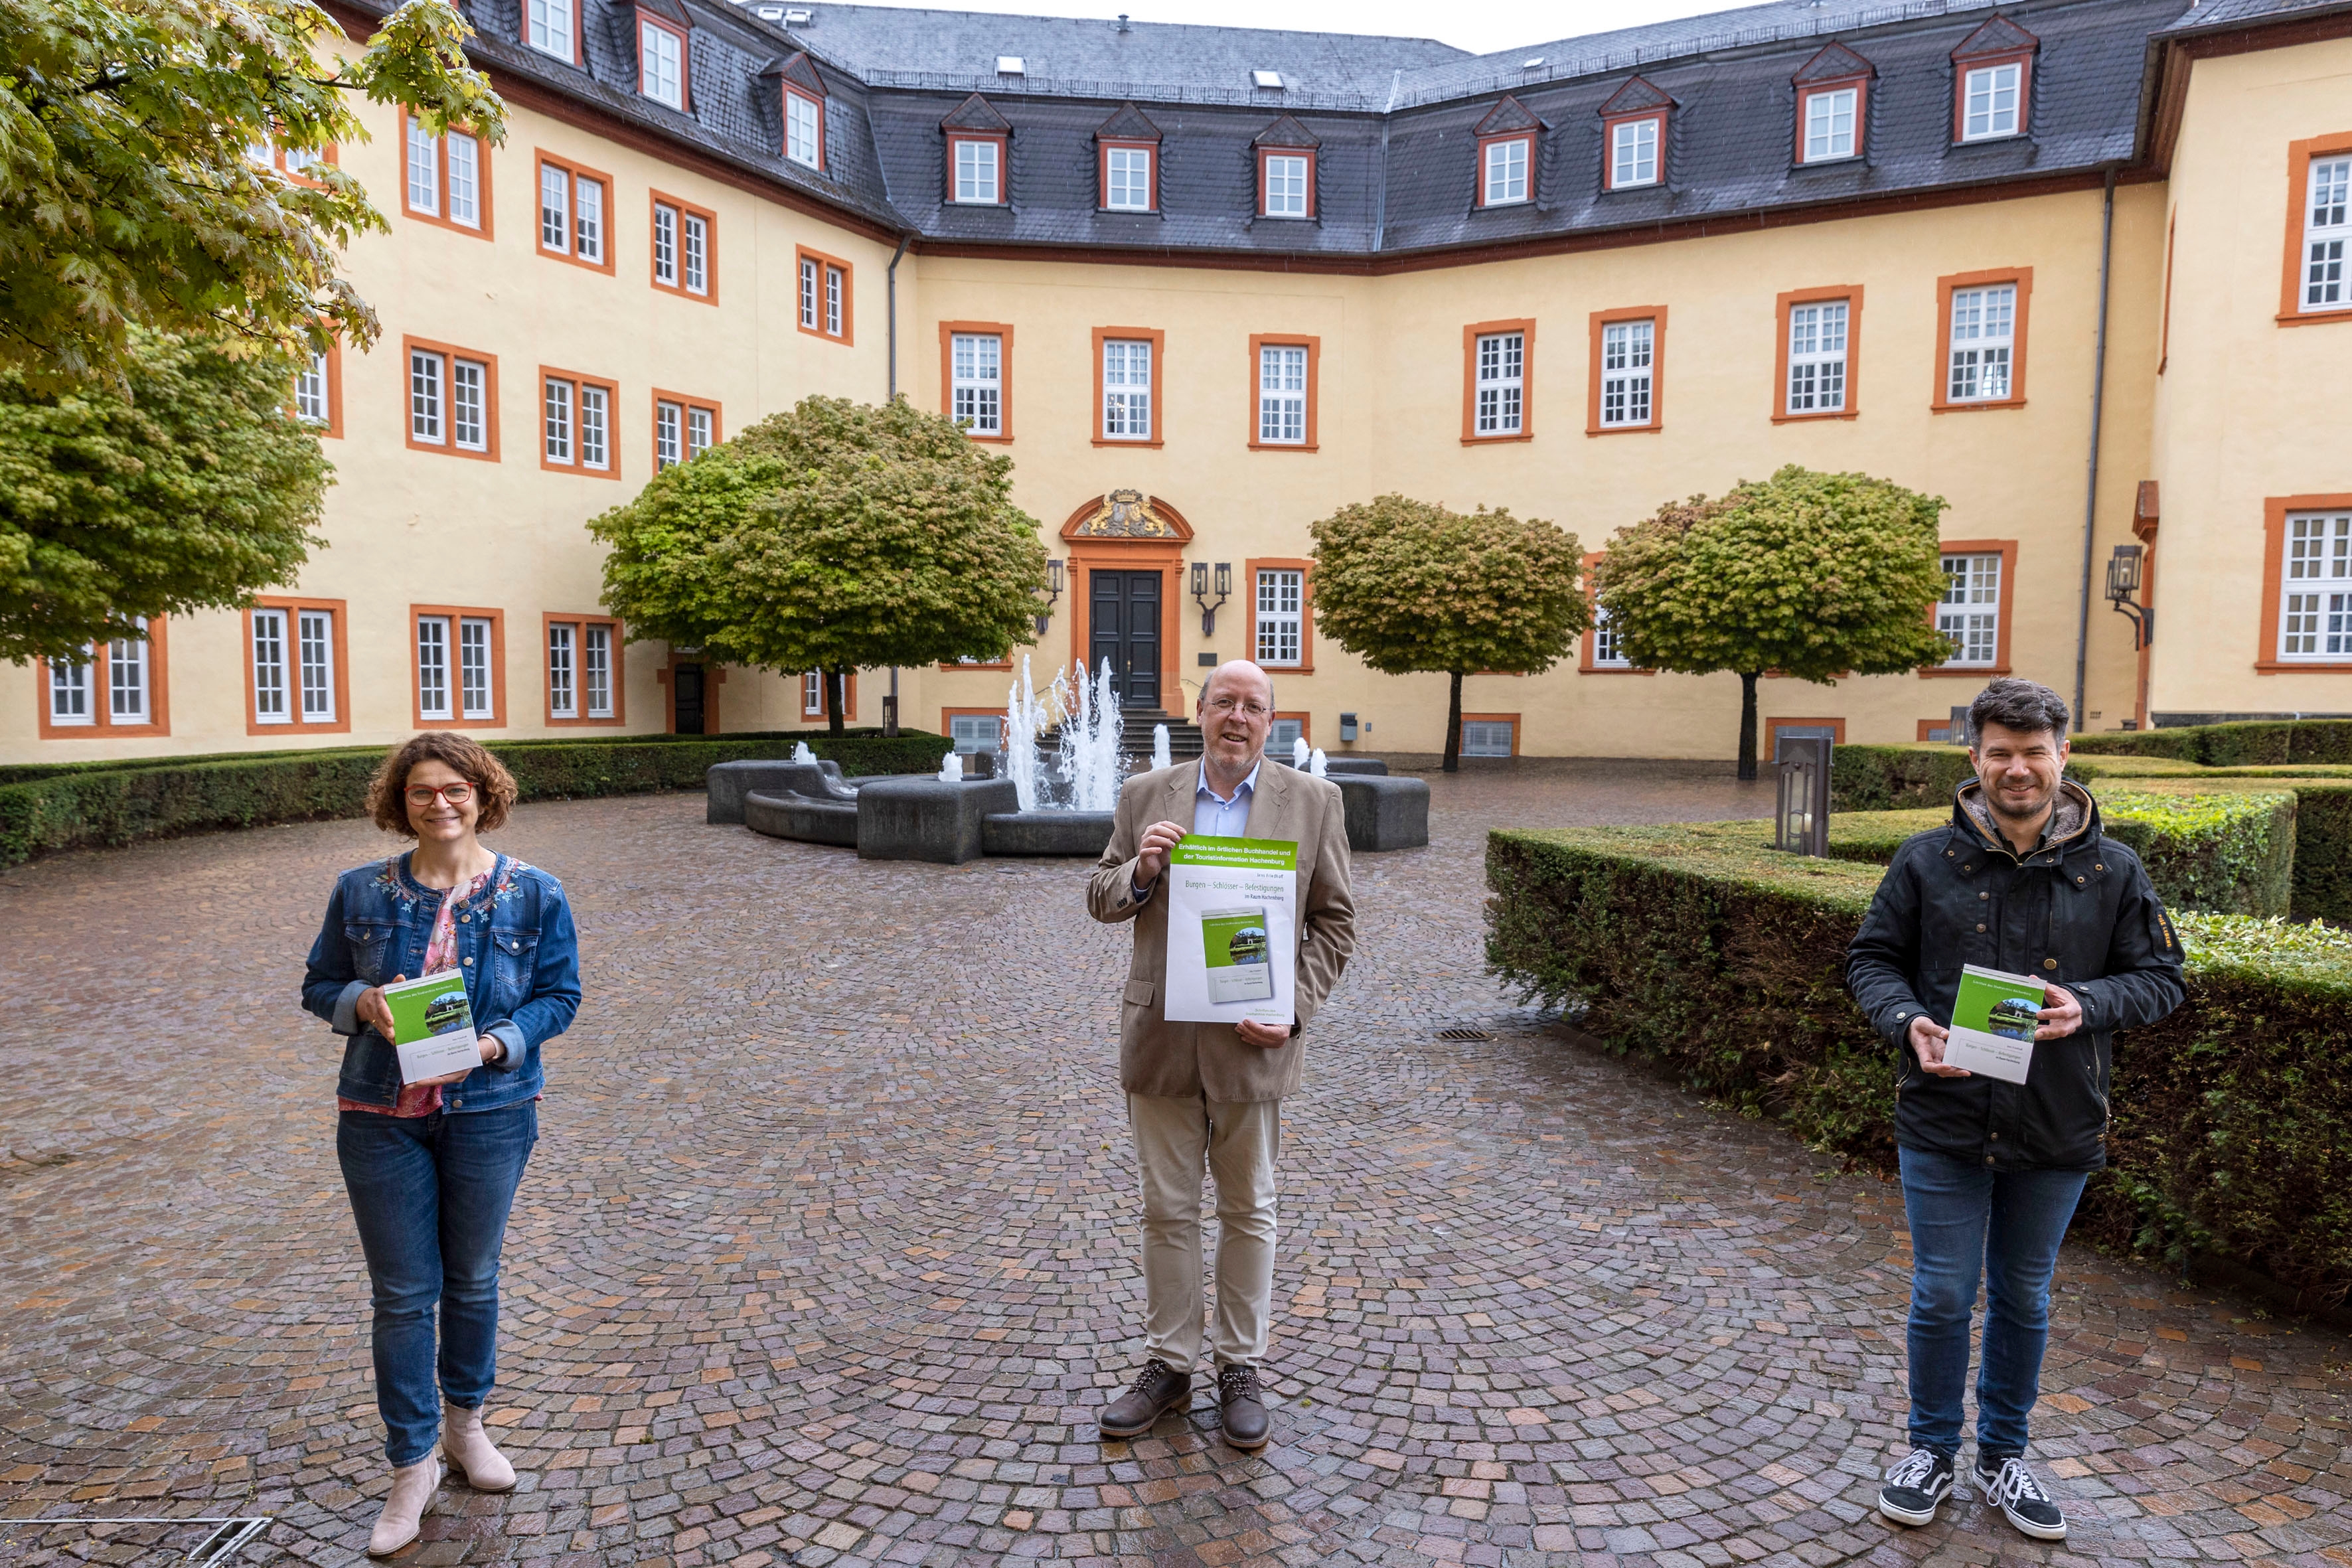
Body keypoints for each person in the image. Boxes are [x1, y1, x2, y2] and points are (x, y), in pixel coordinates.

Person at [1847, 678, 2183, 1541]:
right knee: (1942, 1293)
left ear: (2061, 756)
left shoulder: (2113, 870)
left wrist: (2086, 1004)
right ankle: (1927, 1449)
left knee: (2024, 1296)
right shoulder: (1924, 860)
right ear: (1973, 759)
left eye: (2033, 751)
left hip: (2057, 1119)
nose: (2016, 768)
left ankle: (2001, 1455)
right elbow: (1871, 962)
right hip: (1943, 1114)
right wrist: (1904, 1020)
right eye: (1998, 751)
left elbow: (2159, 980)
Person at [301, 734, 581, 1557]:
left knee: (472, 1278)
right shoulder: (361, 890)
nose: (440, 803)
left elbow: (560, 996)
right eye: (422, 791)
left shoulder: (534, 892)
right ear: (402, 801)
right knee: (400, 1295)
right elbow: (318, 981)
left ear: (481, 793)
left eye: (454, 788)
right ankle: (411, 1464)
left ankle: (467, 1427)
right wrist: (362, 1000)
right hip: (380, 1114)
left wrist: (499, 1043)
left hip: (491, 1108)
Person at [1086, 660, 1356, 1452]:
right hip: (1163, 1041)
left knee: (1250, 1210)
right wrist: (1139, 871)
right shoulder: (1146, 797)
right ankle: (1170, 1366)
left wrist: (1294, 1006)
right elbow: (1099, 896)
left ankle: (1240, 1364)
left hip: (1252, 1045)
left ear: (1271, 721)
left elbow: (1335, 923)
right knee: (1166, 1210)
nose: (1237, 717)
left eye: (1254, 706)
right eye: (1224, 703)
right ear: (1197, 712)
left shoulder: (1312, 801)